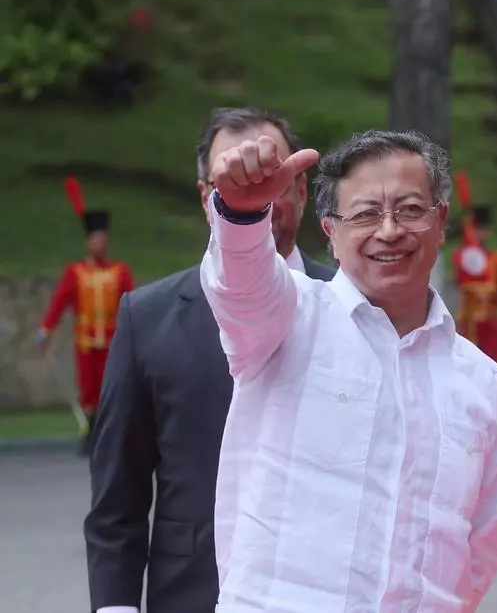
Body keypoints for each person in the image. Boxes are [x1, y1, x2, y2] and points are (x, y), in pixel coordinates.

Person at [201, 129, 497, 611]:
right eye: (366, 214)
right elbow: (239, 286)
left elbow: (478, 553)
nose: (389, 231)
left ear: (440, 222)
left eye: (410, 210)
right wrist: (242, 215)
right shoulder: (287, 319)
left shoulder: (485, 386)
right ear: (330, 231)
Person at [84, 107, 336, 613]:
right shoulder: (147, 319)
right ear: (207, 199)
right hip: (194, 592)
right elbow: (118, 500)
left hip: (326, 590)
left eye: (271, 179)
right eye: (235, 180)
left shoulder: (352, 306)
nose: (256, 196)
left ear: (301, 190)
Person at [37, 186, 134, 455]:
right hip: (86, 340)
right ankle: (91, 432)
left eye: (104, 239)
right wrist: (46, 329)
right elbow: (60, 302)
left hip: (113, 340)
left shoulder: (120, 271)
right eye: (97, 239)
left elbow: (132, 303)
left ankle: (111, 433)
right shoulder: (75, 272)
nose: (101, 244)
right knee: (89, 388)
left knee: (111, 386)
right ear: (88, 242)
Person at [451, 205, 497, 363]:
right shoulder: (462, 257)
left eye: (483, 229)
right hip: (470, 319)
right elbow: (460, 280)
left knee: (492, 362)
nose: (480, 234)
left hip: (491, 320)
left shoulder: (496, 259)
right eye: (476, 230)